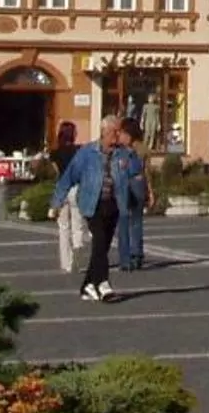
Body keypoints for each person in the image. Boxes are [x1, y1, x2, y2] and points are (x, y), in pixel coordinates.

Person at [57, 121, 122, 302]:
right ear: (104, 132)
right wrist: (57, 201)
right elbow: (69, 175)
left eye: (118, 131)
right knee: (99, 241)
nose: (117, 135)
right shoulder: (88, 152)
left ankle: (87, 285)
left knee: (103, 247)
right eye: (114, 131)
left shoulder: (121, 153)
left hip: (113, 203)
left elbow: (130, 174)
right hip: (93, 203)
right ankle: (103, 283)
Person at [49, 120, 89, 274]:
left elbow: (55, 173)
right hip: (76, 187)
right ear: (73, 134)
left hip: (61, 188)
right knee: (77, 225)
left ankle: (65, 262)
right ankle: (77, 256)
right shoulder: (79, 151)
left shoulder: (54, 153)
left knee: (63, 227)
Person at [111, 125, 153, 272]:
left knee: (130, 220)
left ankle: (132, 256)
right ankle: (131, 256)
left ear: (129, 135)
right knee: (131, 221)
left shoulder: (134, 150)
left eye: (122, 133)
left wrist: (150, 192)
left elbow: (146, 171)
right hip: (131, 184)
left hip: (133, 184)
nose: (119, 136)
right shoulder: (121, 150)